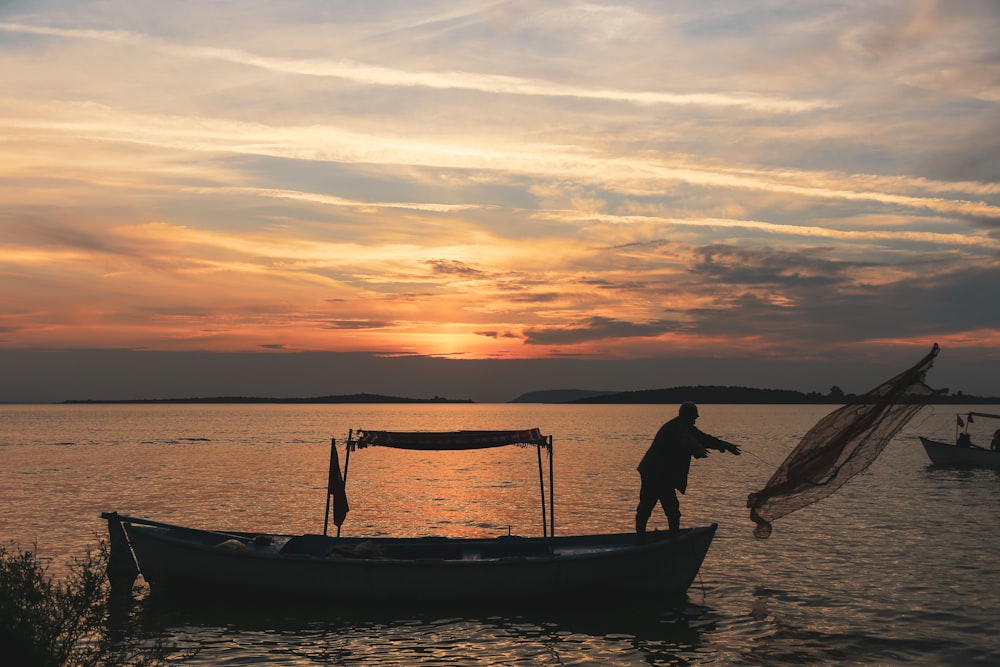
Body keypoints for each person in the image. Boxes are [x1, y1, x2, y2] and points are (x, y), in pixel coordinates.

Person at [635, 401, 741, 538]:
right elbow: (688, 440)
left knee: (666, 508)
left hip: (661, 474)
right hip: (654, 473)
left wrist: (726, 445)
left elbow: (703, 438)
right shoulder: (677, 427)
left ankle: (660, 537)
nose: (696, 420)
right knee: (654, 506)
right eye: (694, 417)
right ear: (688, 416)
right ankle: (651, 538)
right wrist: (698, 449)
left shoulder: (685, 427)